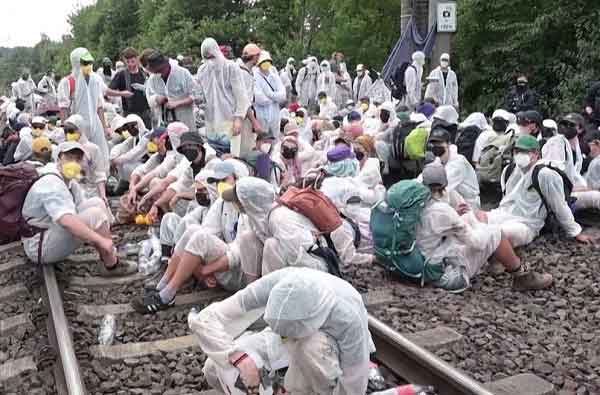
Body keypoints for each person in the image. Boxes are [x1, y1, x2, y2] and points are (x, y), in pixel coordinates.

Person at [189, 267, 374, 395]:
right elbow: (206, 319)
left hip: (326, 351)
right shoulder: (277, 284)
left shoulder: (348, 316)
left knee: (311, 347)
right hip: (282, 339)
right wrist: (238, 358)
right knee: (214, 368)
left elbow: (353, 384)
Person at [418, 162, 552, 292]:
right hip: (443, 276)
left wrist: (459, 219)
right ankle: (521, 276)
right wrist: (483, 227)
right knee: (495, 233)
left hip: (423, 261)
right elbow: (477, 242)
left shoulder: (417, 203)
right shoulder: (443, 211)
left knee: (469, 223)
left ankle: (500, 259)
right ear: (445, 185)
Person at [21, 141, 134, 275]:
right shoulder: (52, 183)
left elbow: (80, 208)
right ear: (59, 159)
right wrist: (100, 240)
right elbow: (66, 220)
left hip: (49, 232)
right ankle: (111, 265)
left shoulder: (69, 183)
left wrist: (99, 235)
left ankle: (107, 250)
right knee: (95, 215)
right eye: (69, 157)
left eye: (78, 159)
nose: (74, 163)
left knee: (97, 203)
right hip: (39, 246)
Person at [479, 135, 594, 249]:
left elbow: (559, 206)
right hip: (504, 214)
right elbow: (506, 199)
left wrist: (575, 232)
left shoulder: (545, 174)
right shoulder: (509, 170)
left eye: (524, 151)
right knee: (473, 217)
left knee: (494, 235)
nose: (519, 154)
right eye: (517, 151)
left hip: (527, 224)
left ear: (536, 154)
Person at [196, 38, 250, 154]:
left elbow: (241, 96)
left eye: (212, 57)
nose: (210, 61)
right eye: (207, 58)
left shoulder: (231, 68)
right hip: (211, 122)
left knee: (231, 155)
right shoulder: (202, 70)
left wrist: (239, 118)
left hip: (230, 119)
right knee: (214, 155)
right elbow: (200, 94)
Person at [67, 48, 111, 178]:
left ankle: (103, 181)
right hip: (78, 124)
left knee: (101, 152)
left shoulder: (94, 79)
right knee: (80, 155)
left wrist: (104, 127)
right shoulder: (69, 82)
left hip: (95, 122)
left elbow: (99, 105)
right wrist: (67, 128)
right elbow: (64, 107)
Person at [542, 114, 600, 211]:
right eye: (564, 123)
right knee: (597, 196)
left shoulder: (578, 146)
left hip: (572, 189)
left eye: (571, 124)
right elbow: (554, 181)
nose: (567, 127)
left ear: (580, 129)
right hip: (560, 195)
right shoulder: (556, 144)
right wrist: (584, 188)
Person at [427, 128, 481, 209]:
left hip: (468, 204)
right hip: (454, 199)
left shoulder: (458, 163)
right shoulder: (438, 159)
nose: (436, 146)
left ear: (448, 144)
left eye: (440, 143)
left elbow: (441, 186)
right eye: (434, 144)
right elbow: (427, 175)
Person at [146, 50, 197, 131]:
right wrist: (156, 99)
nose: (158, 73)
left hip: (185, 121)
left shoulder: (183, 73)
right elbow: (149, 97)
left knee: (186, 141)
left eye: (160, 70)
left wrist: (177, 103)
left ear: (166, 65)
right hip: (164, 122)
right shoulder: (153, 78)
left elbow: (195, 95)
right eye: (156, 71)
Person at [107, 47, 152, 129]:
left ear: (137, 59)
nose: (130, 64)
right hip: (130, 114)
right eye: (127, 62)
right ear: (124, 61)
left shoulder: (145, 73)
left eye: (133, 61)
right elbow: (107, 91)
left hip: (146, 113)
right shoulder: (121, 74)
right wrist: (122, 93)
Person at [254, 51, 286, 140]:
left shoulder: (274, 77)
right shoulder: (255, 77)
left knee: (275, 139)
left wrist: (270, 94)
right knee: (261, 140)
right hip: (261, 115)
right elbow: (259, 98)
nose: (265, 64)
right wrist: (275, 97)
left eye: (267, 62)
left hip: (275, 115)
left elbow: (283, 95)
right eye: (263, 62)